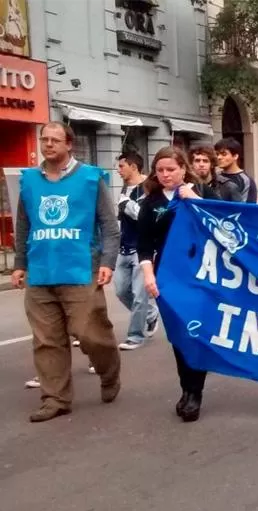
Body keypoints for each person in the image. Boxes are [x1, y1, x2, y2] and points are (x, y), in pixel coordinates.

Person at [12, 121, 122, 423]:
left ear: (68, 144)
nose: (48, 145)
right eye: (44, 139)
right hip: (40, 272)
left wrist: (106, 262)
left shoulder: (89, 178)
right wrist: (20, 264)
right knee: (47, 340)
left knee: (91, 334)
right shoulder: (30, 181)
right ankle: (55, 399)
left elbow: (109, 228)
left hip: (80, 271)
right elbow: (24, 225)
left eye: (55, 140)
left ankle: (109, 371)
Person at [138, 147, 233, 423]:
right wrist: (148, 275)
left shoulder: (202, 193)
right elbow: (143, 245)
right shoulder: (150, 203)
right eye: (160, 170)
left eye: (171, 169)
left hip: (200, 274)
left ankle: (195, 393)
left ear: (183, 168)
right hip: (167, 276)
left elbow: (225, 222)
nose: (165, 175)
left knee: (195, 332)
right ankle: (186, 387)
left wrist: (195, 200)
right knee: (179, 336)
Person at [114, 151, 160, 351]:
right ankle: (151, 315)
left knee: (140, 295)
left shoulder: (148, 188)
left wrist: (127, 204)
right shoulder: (124, 187)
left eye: (122, 166)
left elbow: (146, 217)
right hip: (123, 247)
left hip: (142, 249)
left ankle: (135, 336)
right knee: (121, 290)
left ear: (134, 166)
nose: (118, 170)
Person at [214, 137, 257, 203]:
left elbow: (248, 208)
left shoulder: (246, 180)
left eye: (224, 154)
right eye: (217, 154)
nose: (219, 157)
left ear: (235, 156)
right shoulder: (214, 176)